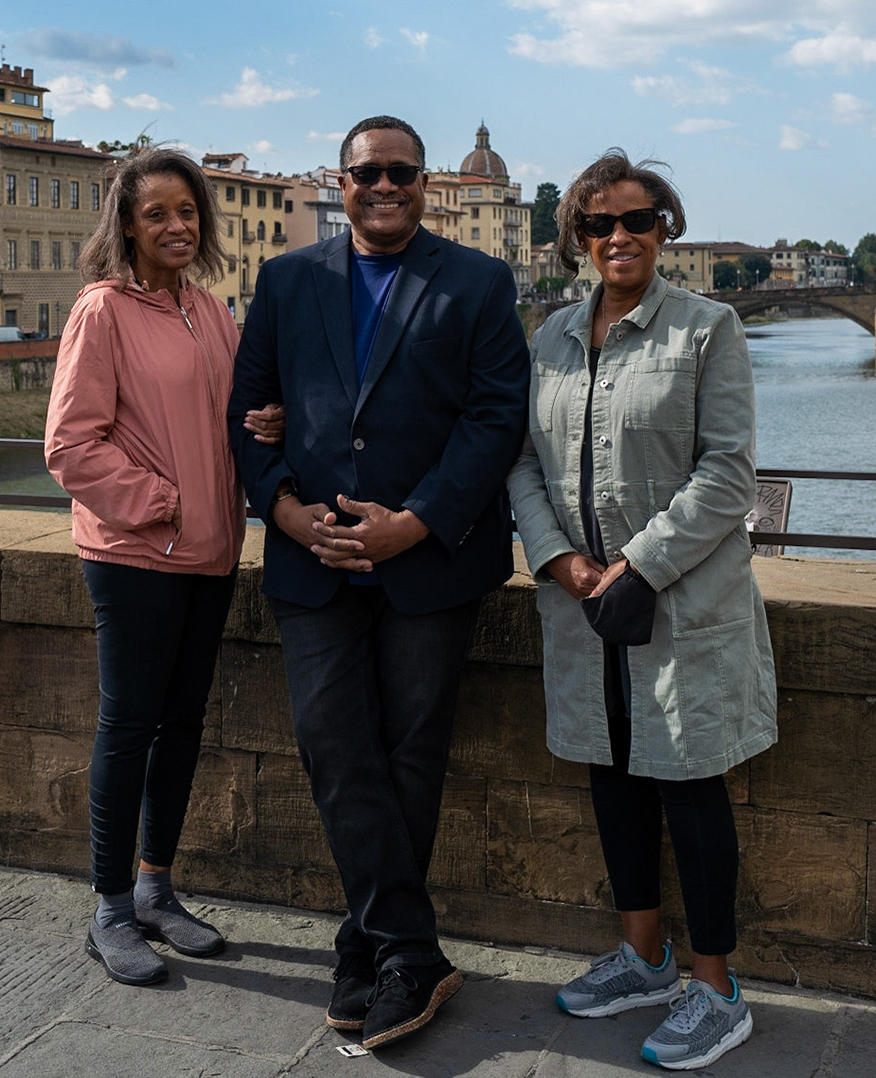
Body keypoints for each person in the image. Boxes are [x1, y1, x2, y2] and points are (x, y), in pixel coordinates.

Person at [227, 115, 529, 1050]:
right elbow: (246, 410)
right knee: (331, 743)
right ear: (343, 181)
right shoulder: (285, 280)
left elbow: (496, 419)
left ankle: (370, 947)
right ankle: (411, 949)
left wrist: (414, 522)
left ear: (426, 184)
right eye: (367, 173)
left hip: (428, 560)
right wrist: (280, 510)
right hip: (311, 555)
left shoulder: (478, 281)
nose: (384, 186)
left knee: (412, 754)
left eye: (401, 172)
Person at [505, 151, 778, 1070]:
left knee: (690, 780)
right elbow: (524, 465)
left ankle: (716, 988)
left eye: (638, 219)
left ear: (667, 228)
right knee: (610, 769)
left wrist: (637, 565)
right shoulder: (549, 338)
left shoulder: (709, 328)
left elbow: (728, 473)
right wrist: (560, 559)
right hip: (581, 603)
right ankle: (644, 955)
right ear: (575, 237)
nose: (618, 237)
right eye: (599, 224)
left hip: (681, 604)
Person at [45, 146, 280, 986]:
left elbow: (224, 420)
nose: (177, 226)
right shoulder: (100, 312)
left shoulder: (208, 312)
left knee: (182, 726)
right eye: (158, 215)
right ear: (129, 226)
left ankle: (156, 889)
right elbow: (70, 446)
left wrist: (267, 428)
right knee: (129, 725)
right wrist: (163, 503)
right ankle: (109, 908)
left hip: (210, 554)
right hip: (138, 555)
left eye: (188, 212)